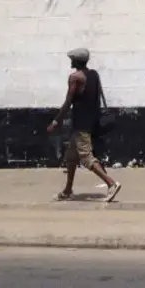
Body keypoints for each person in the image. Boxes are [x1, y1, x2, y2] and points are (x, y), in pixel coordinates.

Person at [47, 48, 121, 203]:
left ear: (76, 61)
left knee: (86, 158)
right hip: (91, 120)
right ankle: (68, 190)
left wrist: (56, 121)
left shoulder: (75, 77)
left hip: (81, 123)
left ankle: (111, 184)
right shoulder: (94, 74)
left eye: (72, 59)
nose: (70, 61)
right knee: (71, 157)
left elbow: (68, 101)